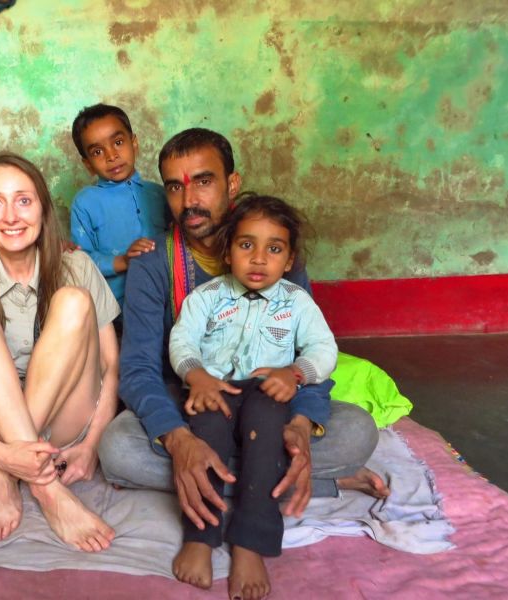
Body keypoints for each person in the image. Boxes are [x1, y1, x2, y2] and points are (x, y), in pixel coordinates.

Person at [98, 128, 390, 588]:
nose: (189, 200)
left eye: (203, 181)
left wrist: (300, 425)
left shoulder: (278, 254)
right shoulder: (154, 265)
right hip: (197, 405)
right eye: (174, 186)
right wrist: (179, 440)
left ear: (232, 184)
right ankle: (290, 481)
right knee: (117, 447)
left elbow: (307, 354)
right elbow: (137, 370)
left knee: (357, 430)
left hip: (269, 406)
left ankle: (239, 479)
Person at [0, 152, 120, 553]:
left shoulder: (76, 265)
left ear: (42, 208)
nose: (11, 216)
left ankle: (6, 478)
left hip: (66, 414)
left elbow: (111, 365)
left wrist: (91, 445)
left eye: (23, 200)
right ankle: (47, 489)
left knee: (73, 300)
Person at [169, 195, 338, 599]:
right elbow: (182, 341)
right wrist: (196, 376)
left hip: (267, 393)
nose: (259, 258)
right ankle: (200, 534)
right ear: (228, 252)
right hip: (215, 388)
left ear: (290, 259)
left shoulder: (297, 303)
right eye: (247, 245)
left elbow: (324, 349)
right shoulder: (205, 298)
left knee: (268, 434)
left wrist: (294, 373)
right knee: (206, 431)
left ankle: (250, 541)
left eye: (274, 249)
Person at [70, 103, 167, 308]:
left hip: (167, 301)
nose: (111, 155)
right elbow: (80, 261)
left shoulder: (159, 194)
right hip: (114, 310)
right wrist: (122, 261)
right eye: (97, 151)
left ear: (134, 143)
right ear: (88, 164)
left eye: (118, 142)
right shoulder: (85, 202)